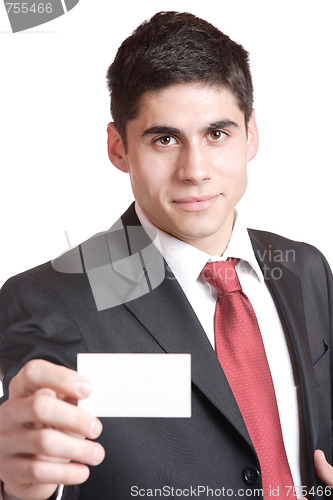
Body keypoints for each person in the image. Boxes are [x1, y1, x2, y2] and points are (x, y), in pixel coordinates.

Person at [0, 10, 332, 500]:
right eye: (165, 139)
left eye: (217, 134)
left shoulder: (305, 269)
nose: (195, 170)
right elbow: (31, 456)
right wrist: (18, 486)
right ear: (119, 148)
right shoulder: (46, 301)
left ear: (251, 135)